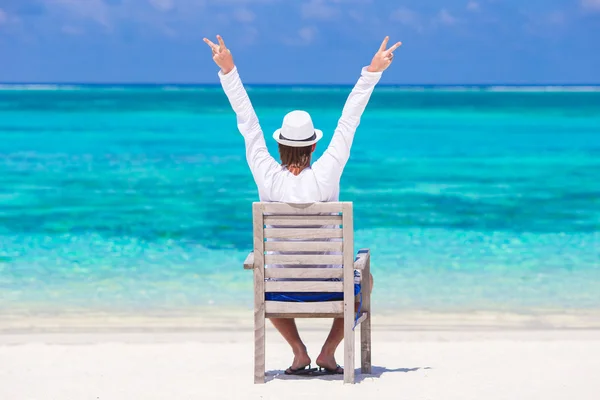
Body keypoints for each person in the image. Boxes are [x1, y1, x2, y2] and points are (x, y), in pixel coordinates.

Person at [203, 34, 401, 375]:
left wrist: (229, 71)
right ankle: (327, 352)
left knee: (268, 275)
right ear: (312, 148)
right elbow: (348, 121)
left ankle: (298, 351)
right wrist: (371, 71)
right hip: (330, 285)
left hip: (280, 289)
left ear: (280, 146)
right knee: (362, 281)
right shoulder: (327, 171)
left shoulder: (267, 175)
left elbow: (247, 124)